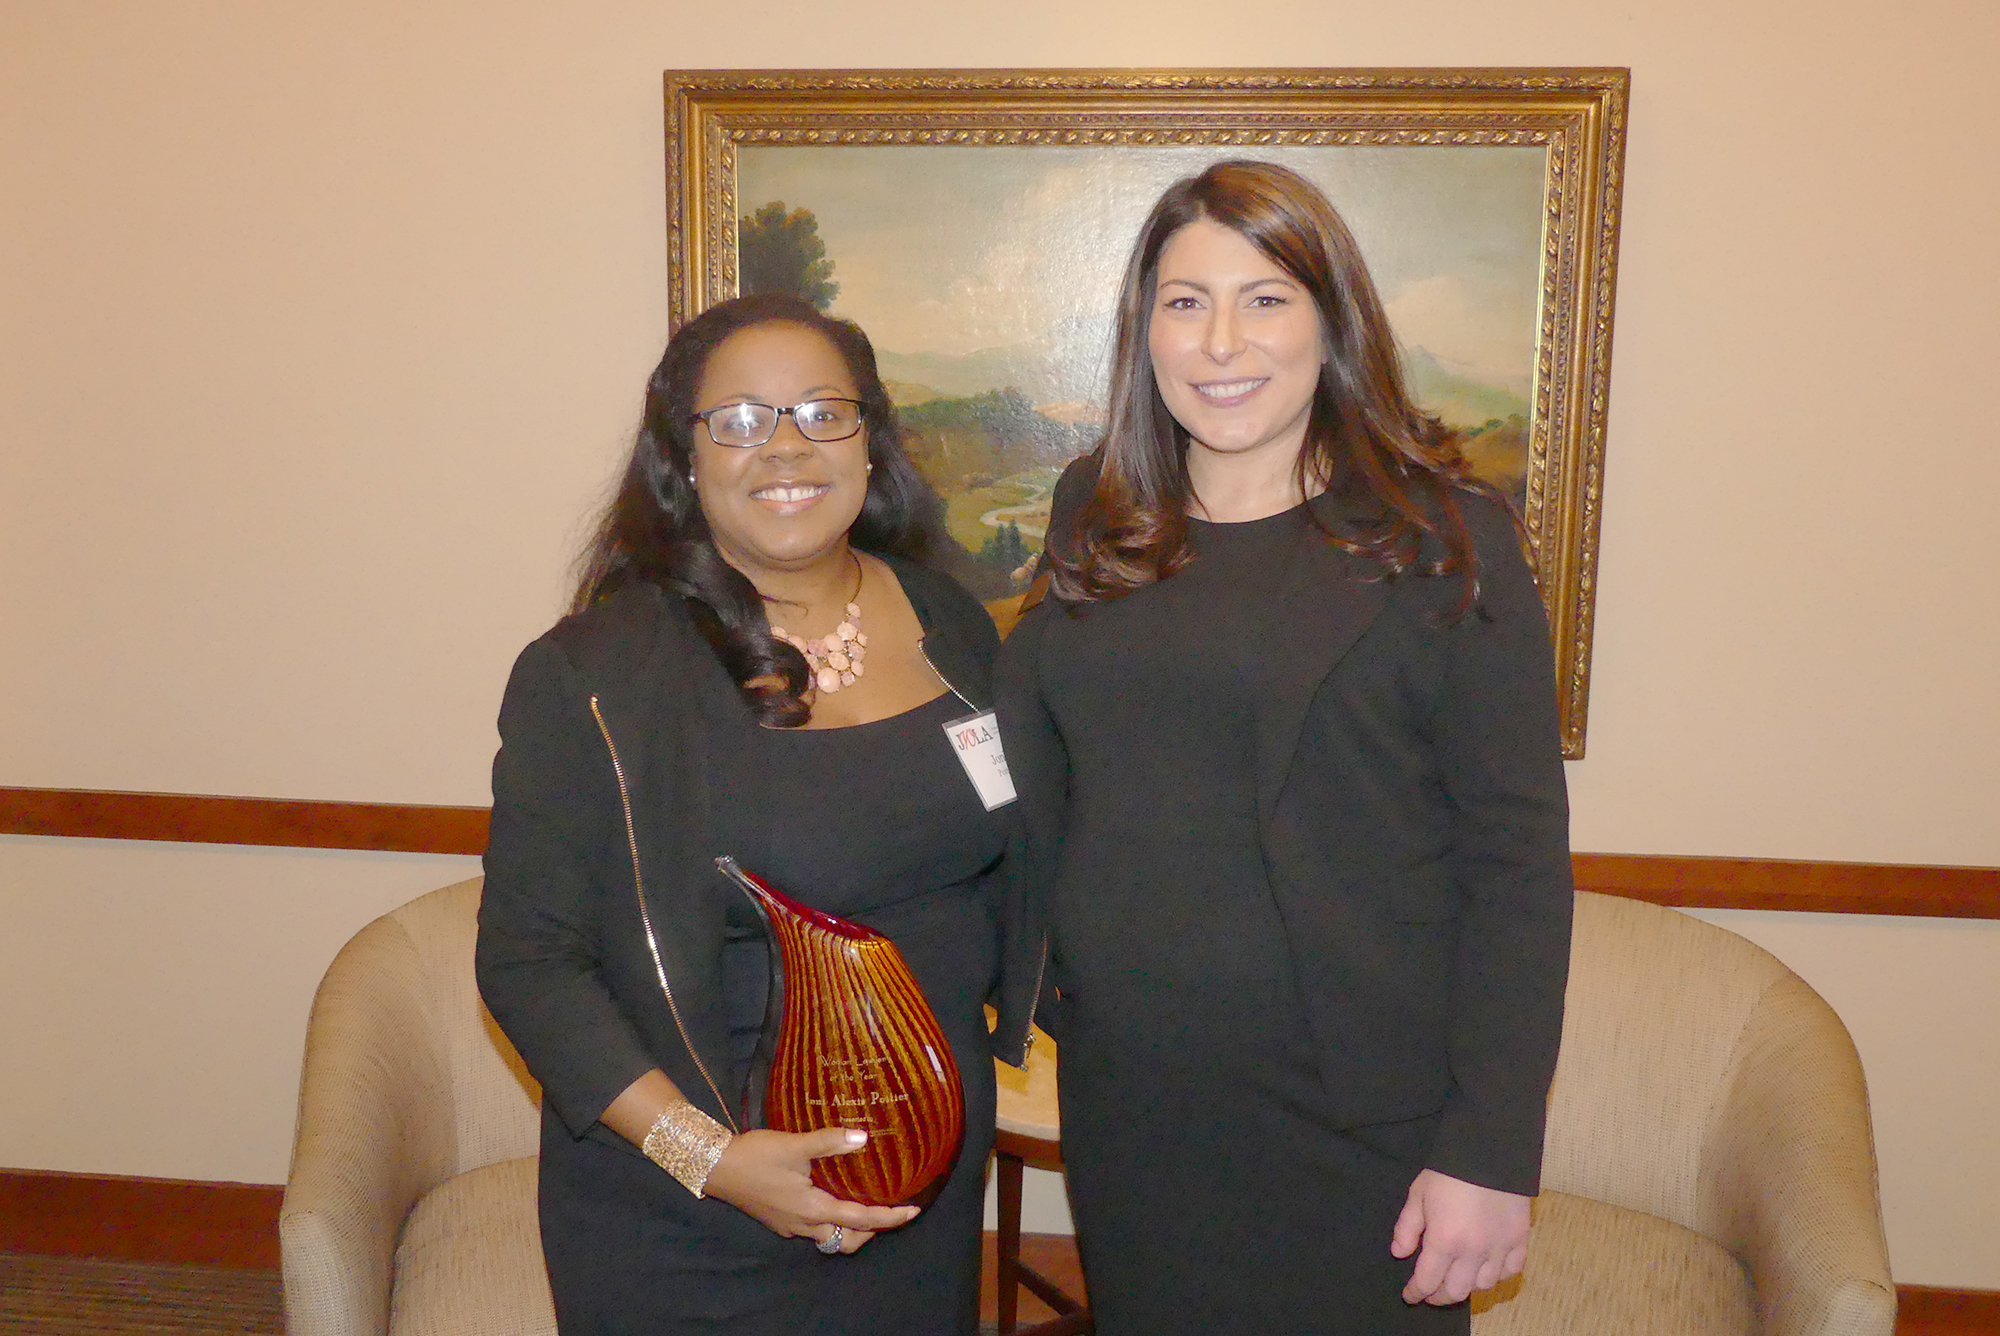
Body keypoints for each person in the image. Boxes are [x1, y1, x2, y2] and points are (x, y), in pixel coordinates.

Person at [994, 160, 1574, 1335]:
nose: (1219, 342)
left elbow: (1516, 865)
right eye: (1182, 300)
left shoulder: (1443, 541)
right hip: (1135, 1105)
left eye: (1264, 299)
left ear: (1331, 322)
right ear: (1141, 328)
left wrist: (1491, 1150)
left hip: (1353, 1119)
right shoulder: (1094, 511)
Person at [475, 293, 1035, 1335]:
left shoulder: (952, 623)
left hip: (922, 1191)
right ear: (683, 459)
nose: (786, 447)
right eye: (738, 420)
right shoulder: (595, 678)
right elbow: (526, 962)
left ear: (872, 444)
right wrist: (715, 1161)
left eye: (824, 412)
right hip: (694, 1217)